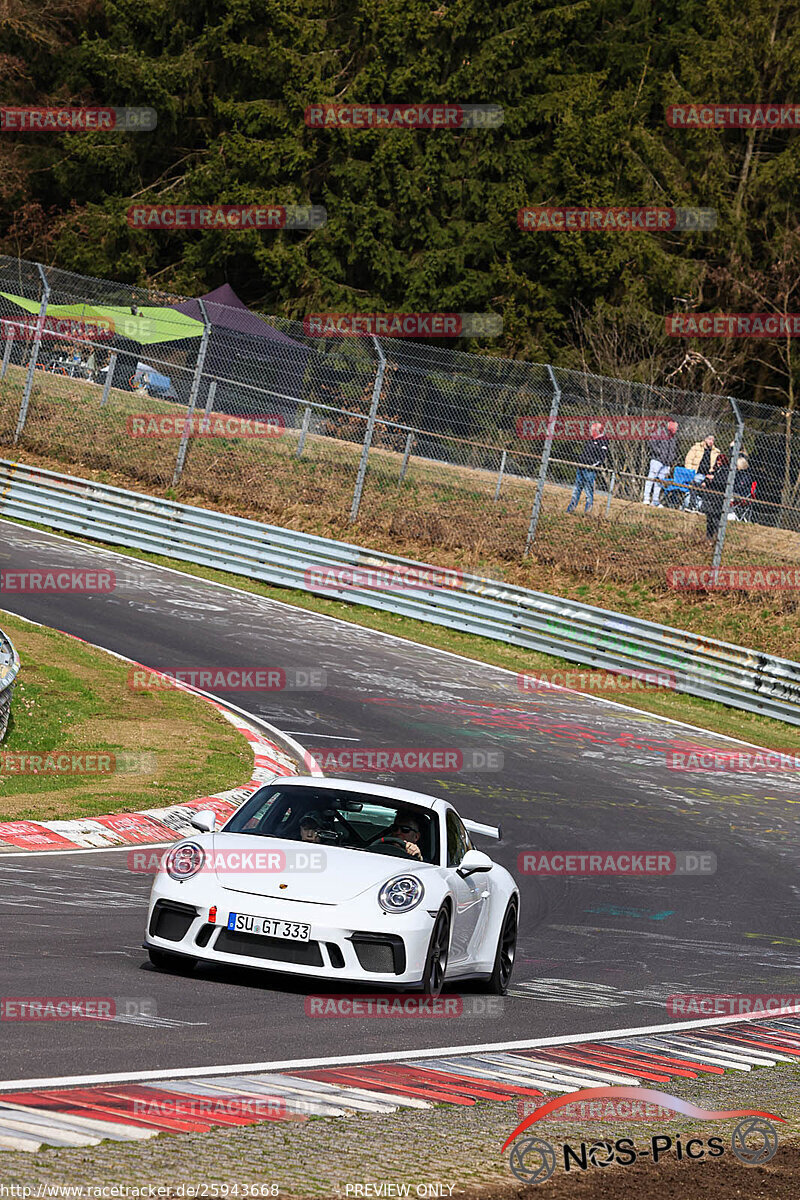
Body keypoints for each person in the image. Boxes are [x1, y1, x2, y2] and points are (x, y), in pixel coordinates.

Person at [566, 421, 609, 515]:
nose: (590, 431)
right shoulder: (590, 439)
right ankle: (570, 509)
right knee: (576, 490)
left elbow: (601, 458)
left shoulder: (603, 440)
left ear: (596, 431)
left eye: (592, 429)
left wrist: (592, 466)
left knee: (588, 492)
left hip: (589, 470)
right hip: (581, 467)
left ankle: (587, 512)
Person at [643, 419, 679, 506]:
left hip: (666, 463)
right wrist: (659, 453)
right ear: (671, 426)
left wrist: (671, 459)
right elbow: (651, 443)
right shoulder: (660, 432)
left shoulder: (673, 437)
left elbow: (673, 450)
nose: (677, 429)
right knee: (651, 478)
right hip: (657, 460)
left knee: (660, 482)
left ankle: (655, 500)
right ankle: (646, 498)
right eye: (676, 427)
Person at [702, 449, 730, 543]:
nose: (718, 463)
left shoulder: (726, 471)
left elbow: (723, 482)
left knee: (716, 519)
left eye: (720, 461)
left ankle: (718, 538)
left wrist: (713, 478)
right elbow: (708, 477)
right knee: (709, 519)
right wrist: (706, 481)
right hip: (711, 496)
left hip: (718, 498)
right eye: (717, 461)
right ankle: (709, 536)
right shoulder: (715, 470)